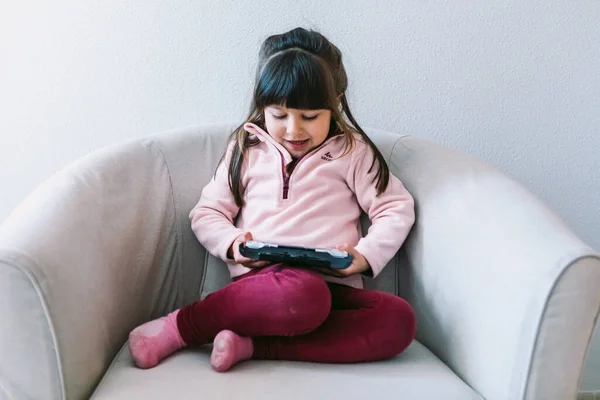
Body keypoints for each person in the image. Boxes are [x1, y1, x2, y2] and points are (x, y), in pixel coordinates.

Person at [128, 27, 417, 373]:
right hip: (266, 287)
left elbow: (394, 207)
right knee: (303, 295)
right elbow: (207, 213)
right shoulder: (246, 148)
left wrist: (364, 257)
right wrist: (234, 244)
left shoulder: (353, 152)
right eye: (279, 115)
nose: (294, 130)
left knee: (398, 320)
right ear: (262, 105)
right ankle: (181, 326)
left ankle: (253, 347)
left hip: (333, 285)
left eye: (310, 117)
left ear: (334, 105)